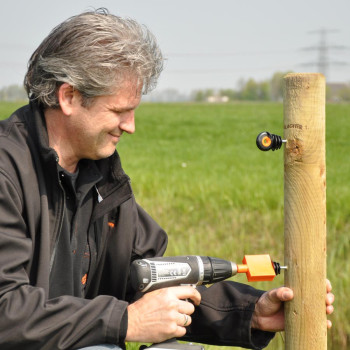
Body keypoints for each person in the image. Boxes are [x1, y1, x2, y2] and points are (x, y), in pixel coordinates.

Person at [0, 8, 334, 350]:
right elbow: (5, 310)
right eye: (118, 111)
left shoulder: (102, 178)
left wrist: (250, 312)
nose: (130, 126)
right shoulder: (6, 172)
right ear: (68, 97)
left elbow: (149, 277)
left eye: (133, 110)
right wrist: (126, 320)